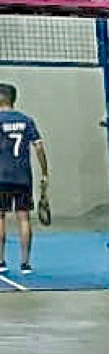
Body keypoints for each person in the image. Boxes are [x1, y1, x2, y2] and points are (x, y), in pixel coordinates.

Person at [0, 82, 50, 275]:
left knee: (0, 217)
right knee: (24, 218)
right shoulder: (26, 120)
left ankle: (1, 262)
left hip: (1, 176)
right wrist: (44, 172)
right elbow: (38, 147)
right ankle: (25, 263)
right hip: (22, 177)